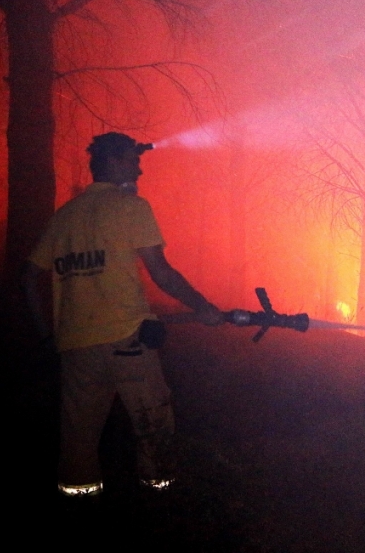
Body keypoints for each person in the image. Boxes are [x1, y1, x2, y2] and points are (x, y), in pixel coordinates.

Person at [22, 132, 224, 497]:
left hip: (75, 347)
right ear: (114, 163)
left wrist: (46, 336)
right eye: (135, 161)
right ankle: (161, 498)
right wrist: (203, 308)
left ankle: (79, 497)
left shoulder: (63, 216)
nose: (140, 170)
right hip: (128, 341)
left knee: (78, 435)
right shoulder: (132, 208)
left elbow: (27, 279)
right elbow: (160, 273)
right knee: (153, 424)